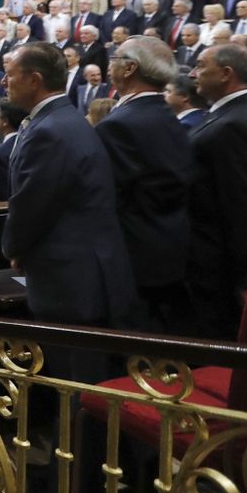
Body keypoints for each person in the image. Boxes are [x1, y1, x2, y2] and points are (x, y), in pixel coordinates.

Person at [1, 44, 136, 355]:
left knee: (74, 383)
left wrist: (12, 247)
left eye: (10, 76)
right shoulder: (64, 118)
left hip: (70, 281)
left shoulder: (49, 130)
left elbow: (33, 203)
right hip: (80, 274)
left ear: (34, 80)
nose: (4, 83)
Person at [99, 37, 196, 334]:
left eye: (115, 57)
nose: (110, 63)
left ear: (129, 69)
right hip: (173, 244)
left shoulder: (119, 124)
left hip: (135, 254)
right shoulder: (165, 113)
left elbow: (111, 196)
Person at [186, 43, 247, 340]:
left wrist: (246, 279)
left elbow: (245, 206)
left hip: (219, 266)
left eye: (201, 65)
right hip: (211, 256)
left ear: (227, 73)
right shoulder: (233, 113)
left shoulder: (237, 122)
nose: (193, 73)